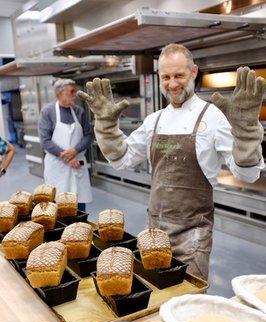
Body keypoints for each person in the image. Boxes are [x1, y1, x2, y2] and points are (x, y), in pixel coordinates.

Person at [78, 43, 265, 281]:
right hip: (153, 231)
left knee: (186, 300)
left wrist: (246, 132)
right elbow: (122, 160)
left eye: (179, 75)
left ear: (194, 72)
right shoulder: (155, 120)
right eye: (165, 77)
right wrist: (106, 126)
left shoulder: (213, 116)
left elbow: (247, 175)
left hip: (194, 235)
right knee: (154, 297)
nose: (172, 83)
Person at [38, 78, 92, 211]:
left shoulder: (79, 112)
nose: (75, 95)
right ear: (59, 93)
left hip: (77, 164)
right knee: (57, 206)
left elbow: (88, 135)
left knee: (79, 206)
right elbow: (45, 140)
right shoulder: (47, 112)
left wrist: (75, 150)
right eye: (72, 91)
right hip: (57, 167)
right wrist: (67, 156)